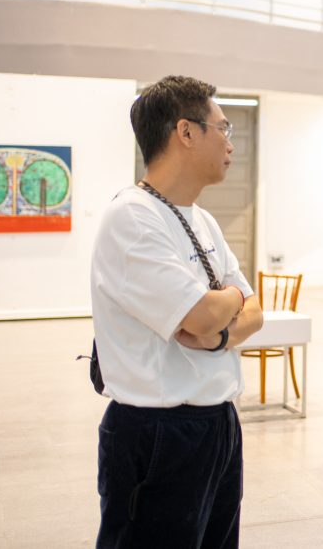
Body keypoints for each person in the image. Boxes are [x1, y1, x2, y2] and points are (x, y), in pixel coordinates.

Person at [90, 75, 264, 548]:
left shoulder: (202, 219)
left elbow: (255, 313)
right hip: (158, 433)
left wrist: (222, 332)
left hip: (218, 423)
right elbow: (204, 316)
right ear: (186, 132)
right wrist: (229, 300)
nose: (230, 142)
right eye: (223, 128)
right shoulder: (132, 216)